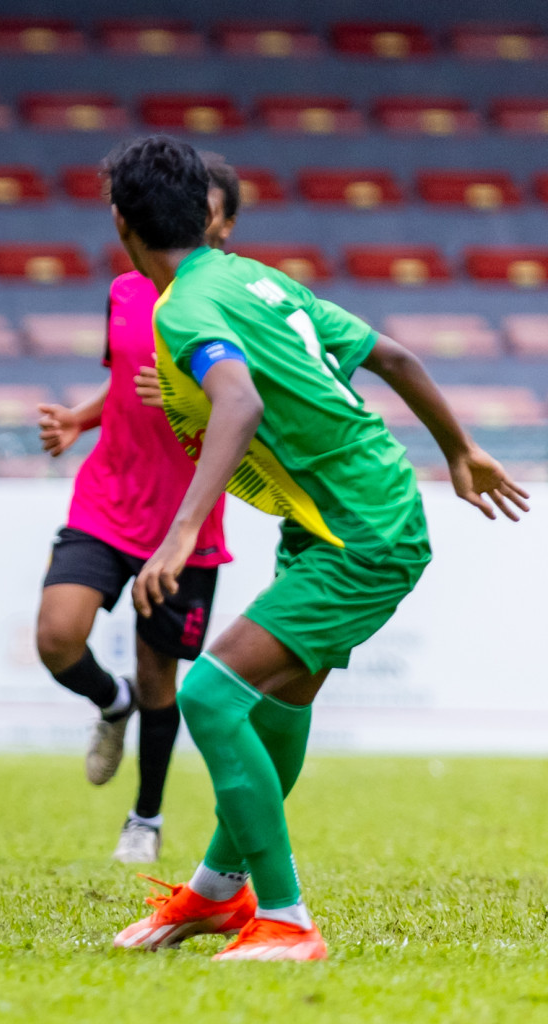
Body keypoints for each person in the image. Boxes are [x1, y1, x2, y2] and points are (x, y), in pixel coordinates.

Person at [105, 135, 528, 960]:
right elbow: (393, 356)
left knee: (212, 697)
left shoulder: (183, 307)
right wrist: (459, 449)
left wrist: (182, 529)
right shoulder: (254, 277)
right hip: (339, 518)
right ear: (207, 213)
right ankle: (220, 894)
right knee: (277, 703)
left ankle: (288, 920)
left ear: (122, 223)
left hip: (361, 533)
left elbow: (238, 404)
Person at [35, 157, 243, 864]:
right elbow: (127, 379)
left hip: (185, 519)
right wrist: (80, 419)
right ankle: (110, 703)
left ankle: (146, 818)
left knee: (163, 676)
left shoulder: (232, 300)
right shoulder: (125, 292)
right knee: (57, 637)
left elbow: (246, 404)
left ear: (225, 223)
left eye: (212, 209)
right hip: (107, 497)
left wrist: (189, 400)